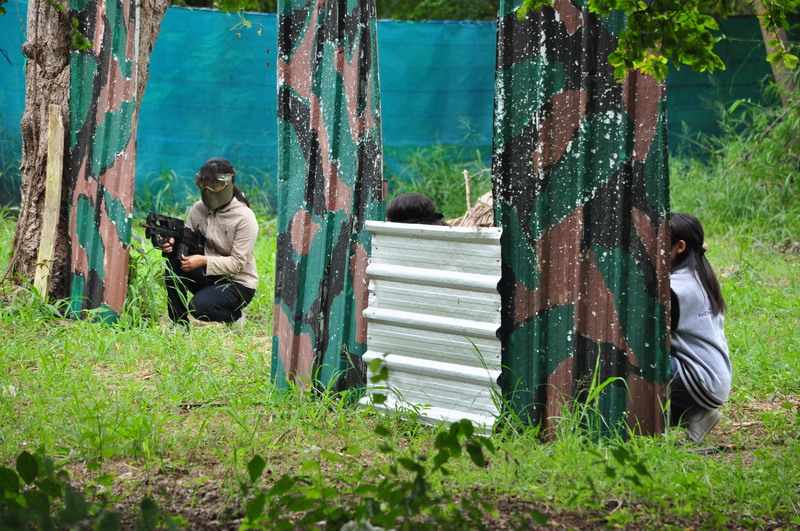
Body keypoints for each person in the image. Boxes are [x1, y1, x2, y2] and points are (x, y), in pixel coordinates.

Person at [162, 158, 258, 326]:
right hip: (209, 276)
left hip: (238, 284)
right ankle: (179, 323)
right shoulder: (198, 209)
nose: (208, 190)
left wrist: (204, 260)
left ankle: (235, 316)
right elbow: (187, 241)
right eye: (204, 185)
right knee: (174, 260)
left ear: (229, 184)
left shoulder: (244, 217)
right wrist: (172, 243)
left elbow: (238, 263)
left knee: (198, 308)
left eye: (216, 185)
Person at [668, 212, 731, 442]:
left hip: (699, 380)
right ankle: (695, 416)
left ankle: (690, 413)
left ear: (680, 247)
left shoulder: (677, 287)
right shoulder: (699, 274)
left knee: (639, 358)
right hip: (714, 379)